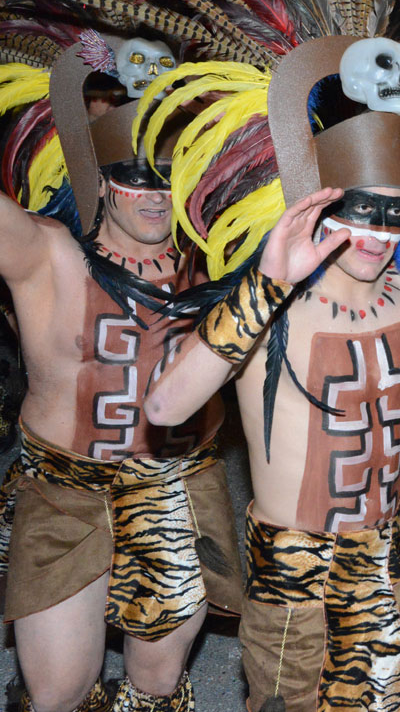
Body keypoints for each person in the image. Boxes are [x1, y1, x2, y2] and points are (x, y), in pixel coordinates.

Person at [141, 33, 400, 711]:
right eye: (358, 210)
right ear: (322, 202)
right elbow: (164, 409)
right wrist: (261, 284)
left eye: (393, 214)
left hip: (392, 558)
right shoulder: (270, 306)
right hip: (297, 587)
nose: (376, 233)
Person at [0, 40, 242, 712]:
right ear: (103, 180)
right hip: (67, 494)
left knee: (158, 684)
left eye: (168, 175)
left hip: (179, 486)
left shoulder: (220, 260)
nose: (155, 194)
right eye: (135, 176)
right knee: (57, 692)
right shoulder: (49, 256)